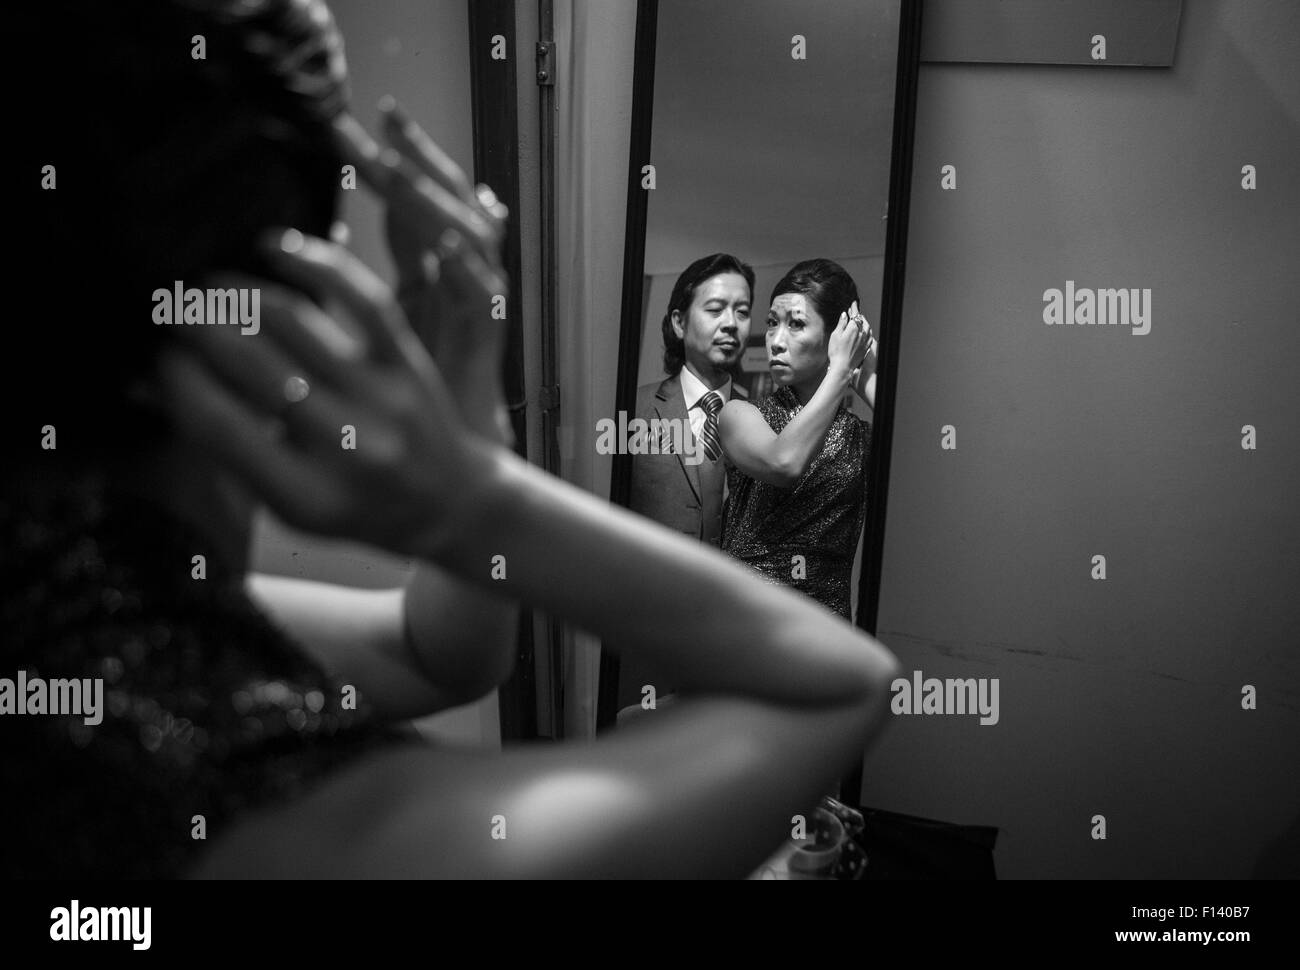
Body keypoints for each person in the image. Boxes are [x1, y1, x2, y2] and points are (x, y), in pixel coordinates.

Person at [3, 0, 898, 879]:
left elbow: (442, 651)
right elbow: (839, 686)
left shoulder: (91, 618)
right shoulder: (270, 804)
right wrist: (469, 497)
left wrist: (471, 399)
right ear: (265, 326)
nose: (753, 330)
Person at [617, 254, 753, 714]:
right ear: (679, 321)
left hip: (734, 646)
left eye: (742, 310)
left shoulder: (765, 423)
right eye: (715, 309)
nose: (731, 323)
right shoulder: (630, 412)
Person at [718, 259, 878, 620]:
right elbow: (784, 462)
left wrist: (864, 365)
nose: (775, 341)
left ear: (837, 337)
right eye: (772, 323)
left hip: (827, 632)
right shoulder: (739, 415)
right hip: (746, 622)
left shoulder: (860, 437)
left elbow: (921, 445)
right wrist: (839, 370)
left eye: (796, 325)